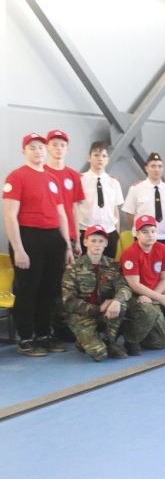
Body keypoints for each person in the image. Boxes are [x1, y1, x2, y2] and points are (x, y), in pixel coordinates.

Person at [3, 133, 75, 355]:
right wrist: (18, 249)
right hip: (29, 238)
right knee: (28, 290)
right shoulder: (16, 176)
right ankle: (26, 338)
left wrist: (67, 246)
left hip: (53, 238)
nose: (37, 151)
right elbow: (10, 216)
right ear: (24, 151)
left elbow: (62, 215)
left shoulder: (52, 179)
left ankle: (44, 334)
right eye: (32, 148)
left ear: (46, 151)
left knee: (49, 290)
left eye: (41, 147)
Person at [61, 225, 131, 361]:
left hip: (106, 312)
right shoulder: (74, 267)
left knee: (121, 305)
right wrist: (98, 309)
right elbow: (68, 300)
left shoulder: (113, 265)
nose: (97, 244)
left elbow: (124, 288)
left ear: (106, 243)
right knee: (100, 355)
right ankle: (83, 341)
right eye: (93, 240)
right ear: (85, 242)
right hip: (82, 315)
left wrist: (117, 301)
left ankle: (110, 343)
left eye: (101, 241)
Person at [120, 215, 165, 354]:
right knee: (148, 311)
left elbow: (164, 278)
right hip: (133, 296)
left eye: (153, 231)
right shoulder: (130, 253)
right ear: (137, 234)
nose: (150, 235)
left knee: (161, 342)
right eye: (145, 232)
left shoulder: (163, 250)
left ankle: (139, 329)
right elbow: (134, 285)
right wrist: (159, 297)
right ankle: (131, 339)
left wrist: (152, 297)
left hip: (151, 295)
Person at [77, 141, 123, 258]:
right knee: (85, 267)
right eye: (96, 155)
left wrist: (116, 233)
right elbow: (75, 208)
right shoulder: (80, 180)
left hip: (109, 232)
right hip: (86, 231)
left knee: (108, 267)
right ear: (89, 158)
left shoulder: (114, 182)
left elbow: (115, 209)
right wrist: (76, 234)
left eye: (104, 156)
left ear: (107, 160)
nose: (100, 159)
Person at [44, 130, 85, 256]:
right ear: (47, 147)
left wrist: (77, 240)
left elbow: (75, 209)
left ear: (67, 149)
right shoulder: (41, 172)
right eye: (54, 145)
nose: (59, 148)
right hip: (46, 233)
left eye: (62, 145)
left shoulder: (74, 175)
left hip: (69, 235)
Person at [123, 152, 165, 243]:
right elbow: (129, 213)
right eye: (153, 166)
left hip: (164, 236)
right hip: (142, 237)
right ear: (146, 168)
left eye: (160, 166)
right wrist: (139, 229)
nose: (157, 169)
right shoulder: (136, 188)